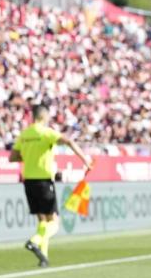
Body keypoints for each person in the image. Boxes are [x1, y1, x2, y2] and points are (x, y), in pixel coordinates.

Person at [8, 103, 93, 268]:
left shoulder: (24, 134)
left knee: (42, 220)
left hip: (29, 182)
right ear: (44, 116)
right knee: (54, 222)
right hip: (44, 181)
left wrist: (30, 155)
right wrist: (86, 161)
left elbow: (13, 157)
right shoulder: (46, 132)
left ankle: (43, 257)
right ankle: (34, 241)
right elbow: (68, 141)